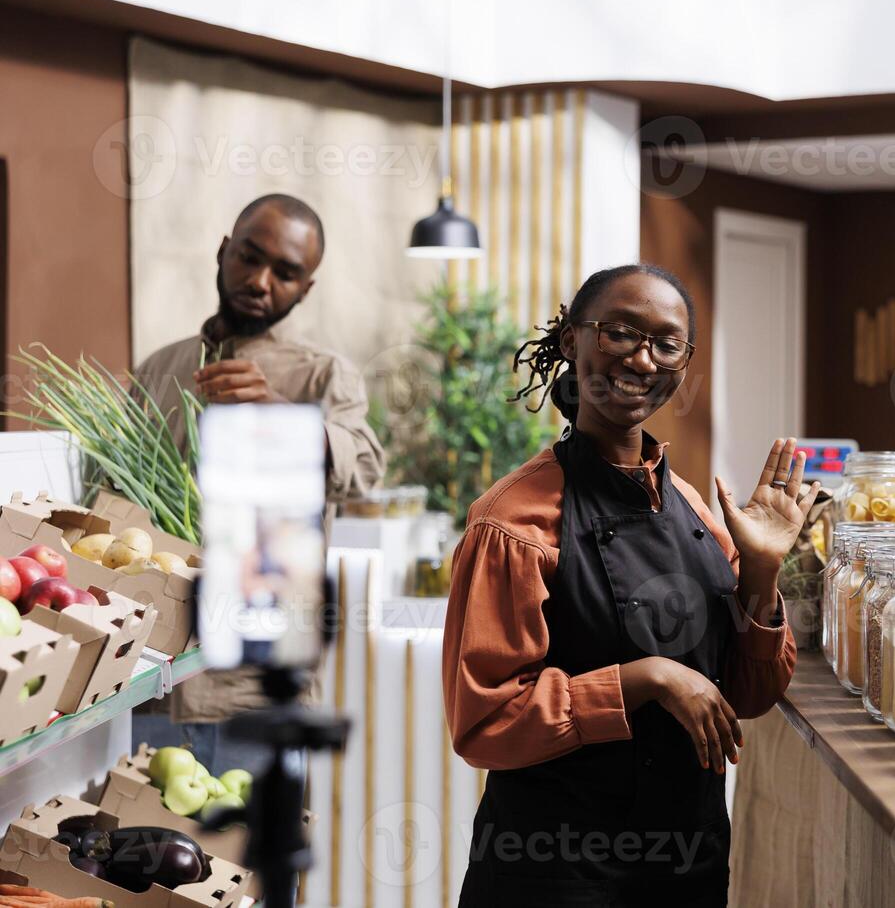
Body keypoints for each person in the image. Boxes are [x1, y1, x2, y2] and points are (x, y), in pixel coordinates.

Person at [443, 265, 808, 906]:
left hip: (685, 864)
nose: (642, 358)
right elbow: (486, 722)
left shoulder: (690, 507)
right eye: (619, 332)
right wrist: (649, 678)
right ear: (571, 341)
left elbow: (747, 695)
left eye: (666, 343)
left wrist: (762, 569)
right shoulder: (512, 522)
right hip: (553, 871)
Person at [131, 193, 384, 773]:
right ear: (224, 252)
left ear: (305, 288)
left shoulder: (321, 374)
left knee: (252, 858)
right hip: (149, 677)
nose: (261, 280)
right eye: (250, 257)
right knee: (144, 853)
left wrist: (281, 417)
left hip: (254, 686)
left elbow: (366, 465)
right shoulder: (160, 369)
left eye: (286, 273)